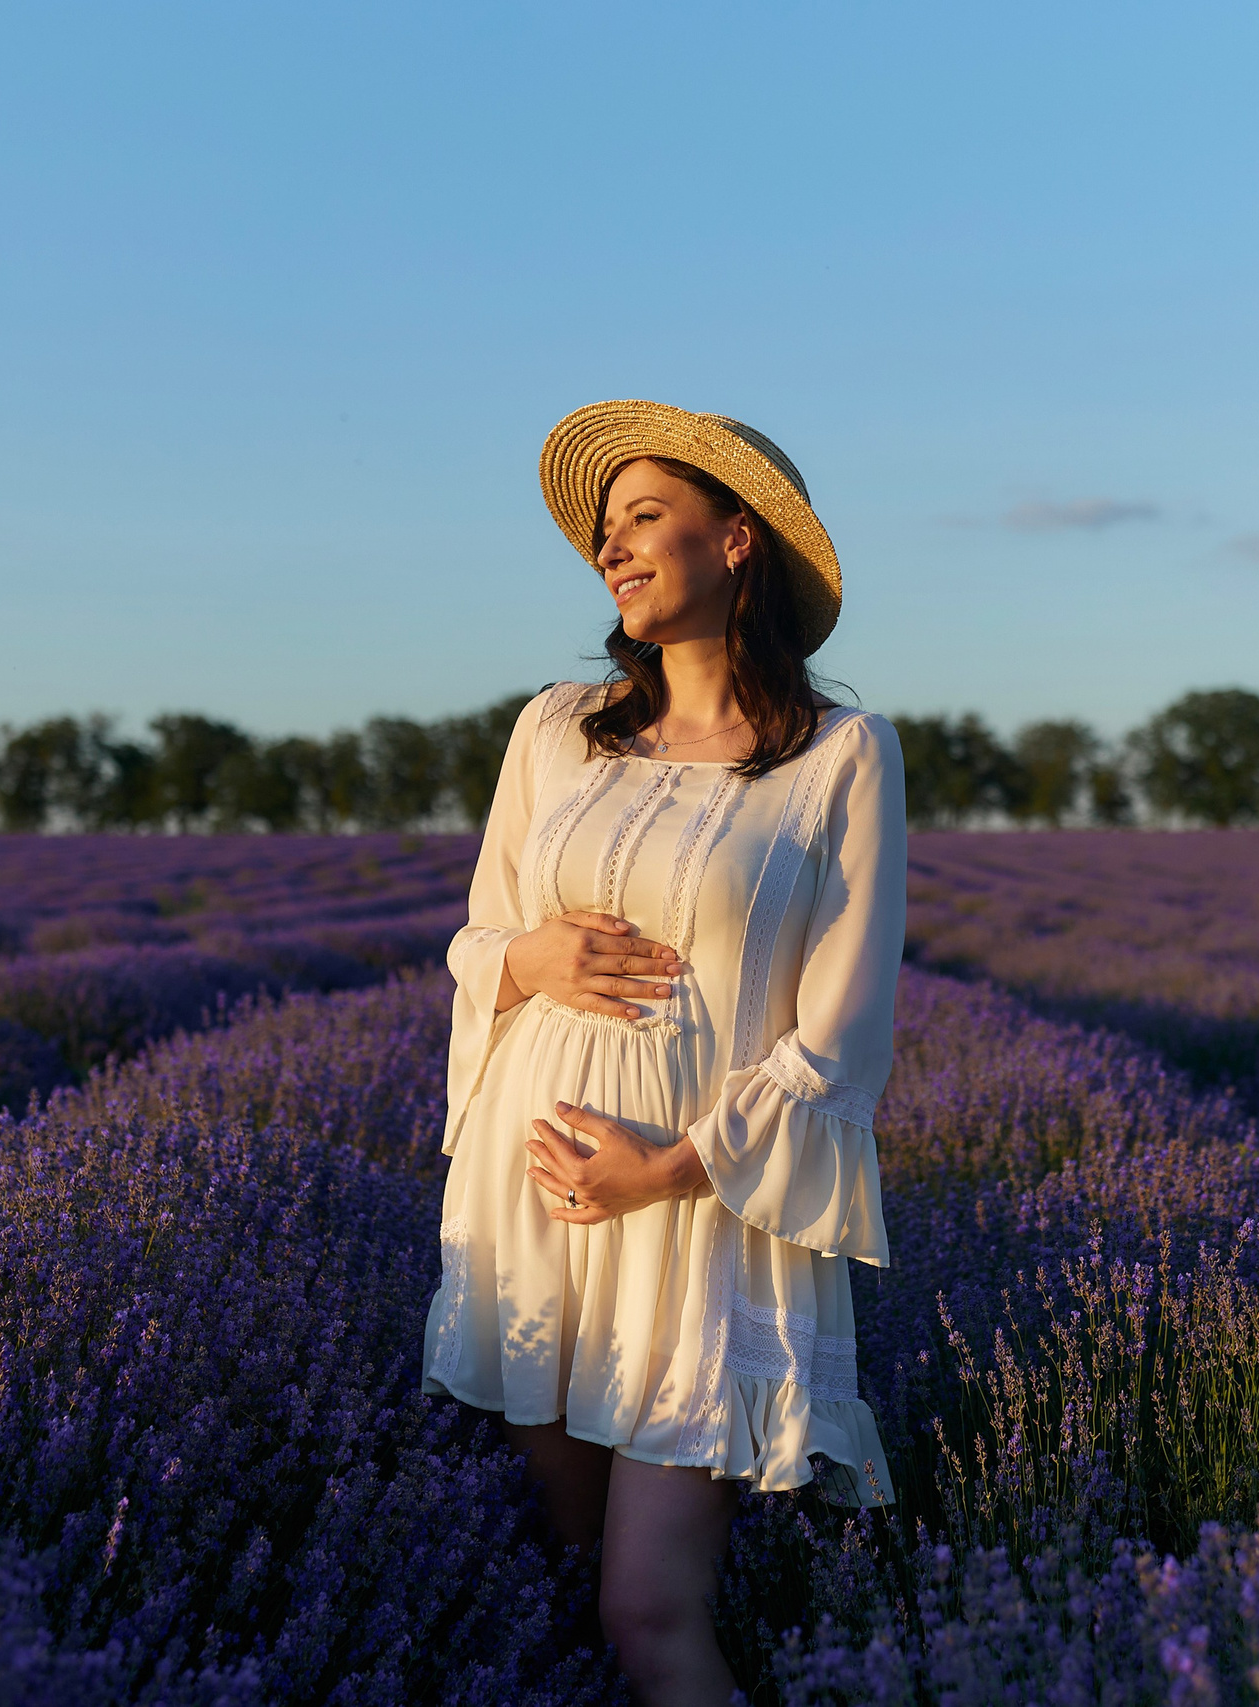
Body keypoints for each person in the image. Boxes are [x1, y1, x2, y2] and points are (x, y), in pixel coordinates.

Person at [422, 400, 903, 1705]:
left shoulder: (840, 755)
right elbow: (479, 939)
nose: (611, 550)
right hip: (535, 1202)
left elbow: (843, 1029)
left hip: (700, 1212)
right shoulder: (556, 728)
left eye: (644, 518)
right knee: (569, 1574)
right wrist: (532, 959)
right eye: (604, 531)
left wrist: (670, 1168)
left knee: (648, 1607)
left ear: (736, 539)